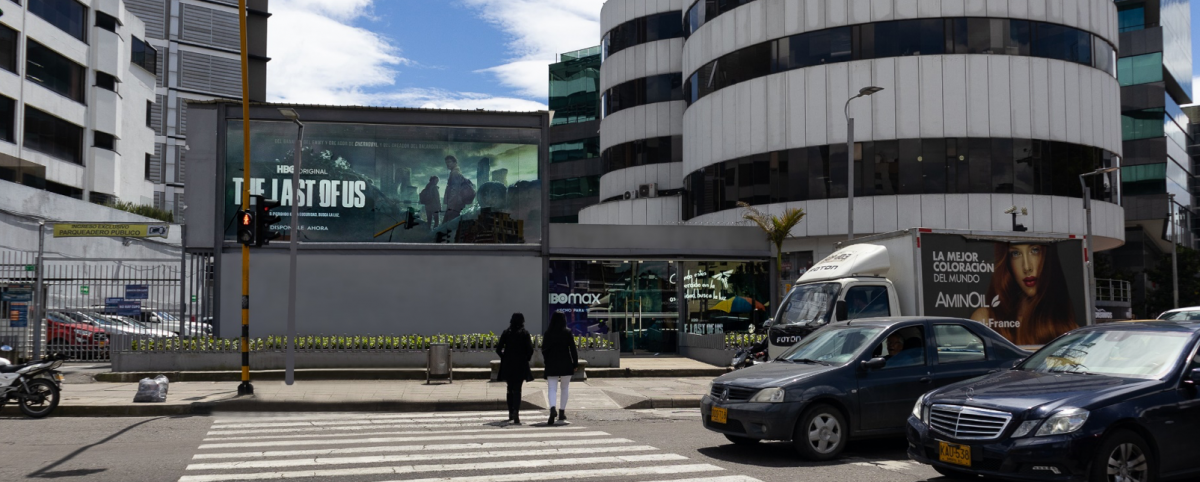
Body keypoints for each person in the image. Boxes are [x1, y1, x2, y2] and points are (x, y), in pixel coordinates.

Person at [971, 243, 1077, 345]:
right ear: (1008, 261)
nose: (1027, 267)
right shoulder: (984, 320)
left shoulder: (1069, 329)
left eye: (1034, 250)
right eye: (1016, 253)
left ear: (1048, 256)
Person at [541, 312, 578, 426]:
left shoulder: (548, 333)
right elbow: (572, 348)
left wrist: (547, 361)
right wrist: (575, 363)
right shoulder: (567, 332)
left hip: (552, 363)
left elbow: (544, 349)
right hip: (565, 363)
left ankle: (552, 408)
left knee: (552, 388)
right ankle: (562, 412)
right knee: (564, 387)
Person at [496, 313, 533, 424]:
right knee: (518, 389)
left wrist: (504, 357)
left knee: (509, 388)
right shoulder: (525, 333)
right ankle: (516, 411)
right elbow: (530, 350)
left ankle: (510, 412)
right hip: (520, 364)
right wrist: (526, 358)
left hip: (508, 364)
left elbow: (498, 349)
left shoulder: (506, 333)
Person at [442, 155, 476, 222]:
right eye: (446, 163)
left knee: (448, 226)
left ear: (455, 163)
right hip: (457, 204)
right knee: (452, 225)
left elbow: (454, 191)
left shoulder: (454, 173)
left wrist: (450, 207)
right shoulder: (457, 172)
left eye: (449, 162)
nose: (447, 164)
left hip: (454, 205)